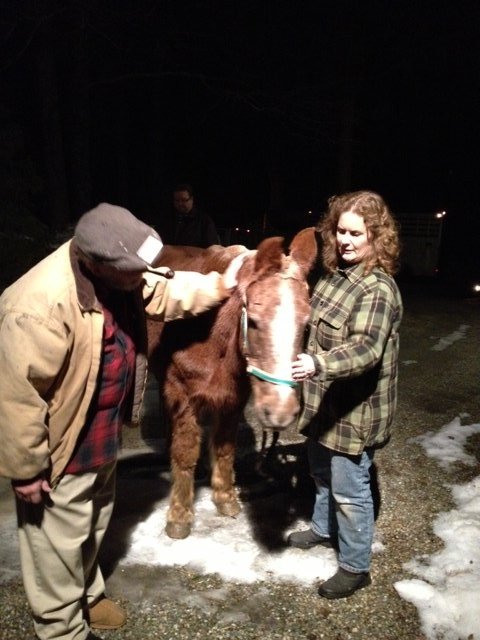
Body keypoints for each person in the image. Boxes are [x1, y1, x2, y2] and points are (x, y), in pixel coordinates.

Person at [0, 202, 246, 640]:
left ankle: (87, 595)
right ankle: (62, 629)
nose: (143, 276)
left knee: (93, 522)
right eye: (133, 271)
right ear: (96, 263)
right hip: (62, 444)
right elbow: (15, 399)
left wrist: (221, 283)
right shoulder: (35, 307)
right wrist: (25, 468)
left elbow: (164, 290)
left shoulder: (118, 274)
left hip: (99, 433)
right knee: (53, 544)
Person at [289, 190, 403, 599]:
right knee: (320, 472)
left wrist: (319, 364)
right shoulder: (333, 277)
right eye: (340, 231)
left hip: (354, 412)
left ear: (376, 236)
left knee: (350, 490)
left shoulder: (377, 290)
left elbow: (367, 350)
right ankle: (322, 529)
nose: (346, 241)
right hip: (324, 403)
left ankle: (356, 566)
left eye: (356, 233)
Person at [161, 183, 220, 248]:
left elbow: (212, 248)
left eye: (184, 200)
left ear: (191, 199)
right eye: (177, 200)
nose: (180, 204)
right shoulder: (168, 218)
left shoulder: (204, 221)